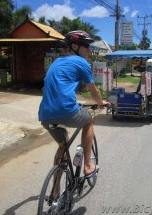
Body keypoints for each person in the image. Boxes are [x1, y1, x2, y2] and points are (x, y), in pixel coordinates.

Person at [38, 31, 109, 192]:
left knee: (63, 146)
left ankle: (55, 190)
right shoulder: (81, 62)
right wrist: (101, 103)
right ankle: (88, 166)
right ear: (75, 46)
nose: (89, 49)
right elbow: (93, 90)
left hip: (45, 115)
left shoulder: (56, 62)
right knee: (89, 120)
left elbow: (52, 87)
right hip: (67, 110)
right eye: (86, 46)